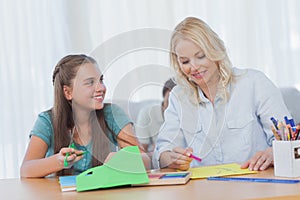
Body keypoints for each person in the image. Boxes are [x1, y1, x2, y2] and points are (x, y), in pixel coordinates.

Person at [152, 17, 290, 171]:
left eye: (201, 56)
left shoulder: (254, 83)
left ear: (215, 50)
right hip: (203, 190)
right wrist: (170, 158)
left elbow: (288, 140)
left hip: (255, 184)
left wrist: (273, 153)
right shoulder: (178, 97)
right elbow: (162, 152)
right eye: (185, 61)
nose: (194, 67)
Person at [20, 54, 150, 178]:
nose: (101, 88)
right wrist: (58, 161)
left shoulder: (112, 114)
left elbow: (146, 161)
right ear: (68, 92)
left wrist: (125, 160)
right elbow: (26, 170)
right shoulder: (47, 121)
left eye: (101, 80)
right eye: (90, 82)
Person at [135, 78, 176, 152]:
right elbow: (140, 151)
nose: (172, 107)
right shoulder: (147, 113)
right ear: (164, 100)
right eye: (169, 101)